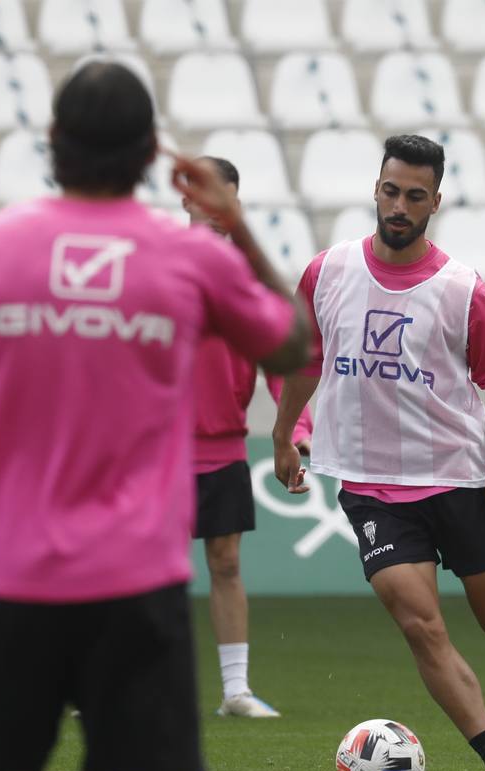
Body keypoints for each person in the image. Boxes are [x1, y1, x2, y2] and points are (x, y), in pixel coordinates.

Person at [0, 62, 309, 771]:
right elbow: (292, 346)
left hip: (3, 578)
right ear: (153, 153)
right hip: (134, 580)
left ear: (52, 143)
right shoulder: (190, 258)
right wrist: (240, 228)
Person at [271, 134, 485, 771]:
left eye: (415, 196)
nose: (399, 206)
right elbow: (305, 360)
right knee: (421, 624)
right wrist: (287, 434)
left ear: (436, 202)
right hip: (372, 489)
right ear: (376, 189)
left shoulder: (462, 290)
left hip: (455, 479)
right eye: (391, 191)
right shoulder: (328, 272)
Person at [183, 154, 315, 719]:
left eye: (225, 202)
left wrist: (297, 432)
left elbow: (283, 364)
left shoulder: (246, 283)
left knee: (227, 562)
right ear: (186, 200)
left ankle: (235, 690)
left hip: (222, 447)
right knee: (133, 568)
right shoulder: (156, 266)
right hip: (152, 451)